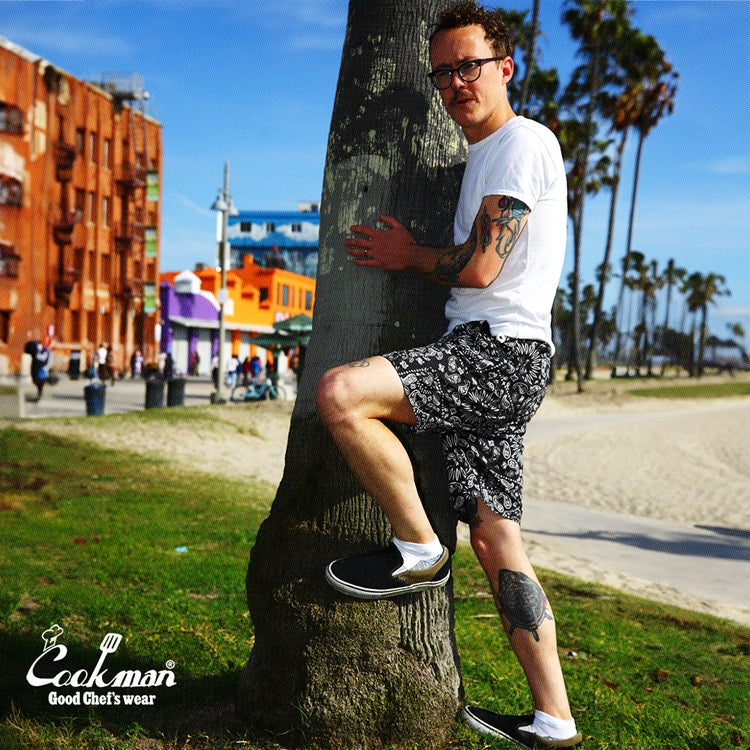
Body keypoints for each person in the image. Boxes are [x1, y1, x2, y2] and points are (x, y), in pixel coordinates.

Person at [315, 3, 580, 748]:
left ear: (505, 68)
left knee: (341, 393)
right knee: (497, 541)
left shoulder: (520, 142)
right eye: (443, 73)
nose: (456, 83)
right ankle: (555, 719)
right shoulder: (488, 156)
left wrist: (409, 256)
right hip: (508, 355)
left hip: (496, 350)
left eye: (470, 66)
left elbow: (484, 265)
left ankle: (418, 550)